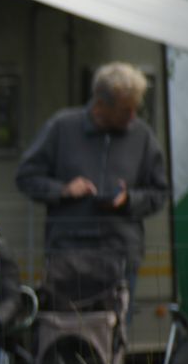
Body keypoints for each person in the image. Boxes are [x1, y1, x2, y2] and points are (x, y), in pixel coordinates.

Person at [15, 61, 169, 313]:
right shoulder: (62, 127)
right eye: (125, 109)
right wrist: (62, 190)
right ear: (100, 105)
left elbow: (160, 192)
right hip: (67, 255)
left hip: (120, 255)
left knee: (115, 327)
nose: (132, 116)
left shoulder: (142, 136)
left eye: (135, 109)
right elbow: (25, 176)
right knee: (66, 327)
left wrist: (129, 199)